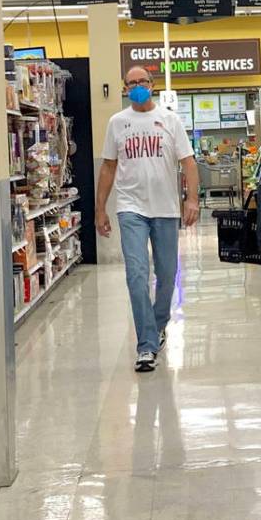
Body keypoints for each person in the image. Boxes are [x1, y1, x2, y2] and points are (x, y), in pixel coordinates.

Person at [95, 66, 201, 372]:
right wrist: (100, 208)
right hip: (131, 208)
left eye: (143, 81)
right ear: (125, 88)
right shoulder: (117, 123)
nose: (138, 86)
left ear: (152, 85)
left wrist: (191, 199)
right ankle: (146, 345)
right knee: (136, 275)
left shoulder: (170, 120)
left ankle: (158, 325)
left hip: (166, 209)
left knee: (167, 275)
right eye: (132, 83)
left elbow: (189, 162)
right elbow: (108, 168)